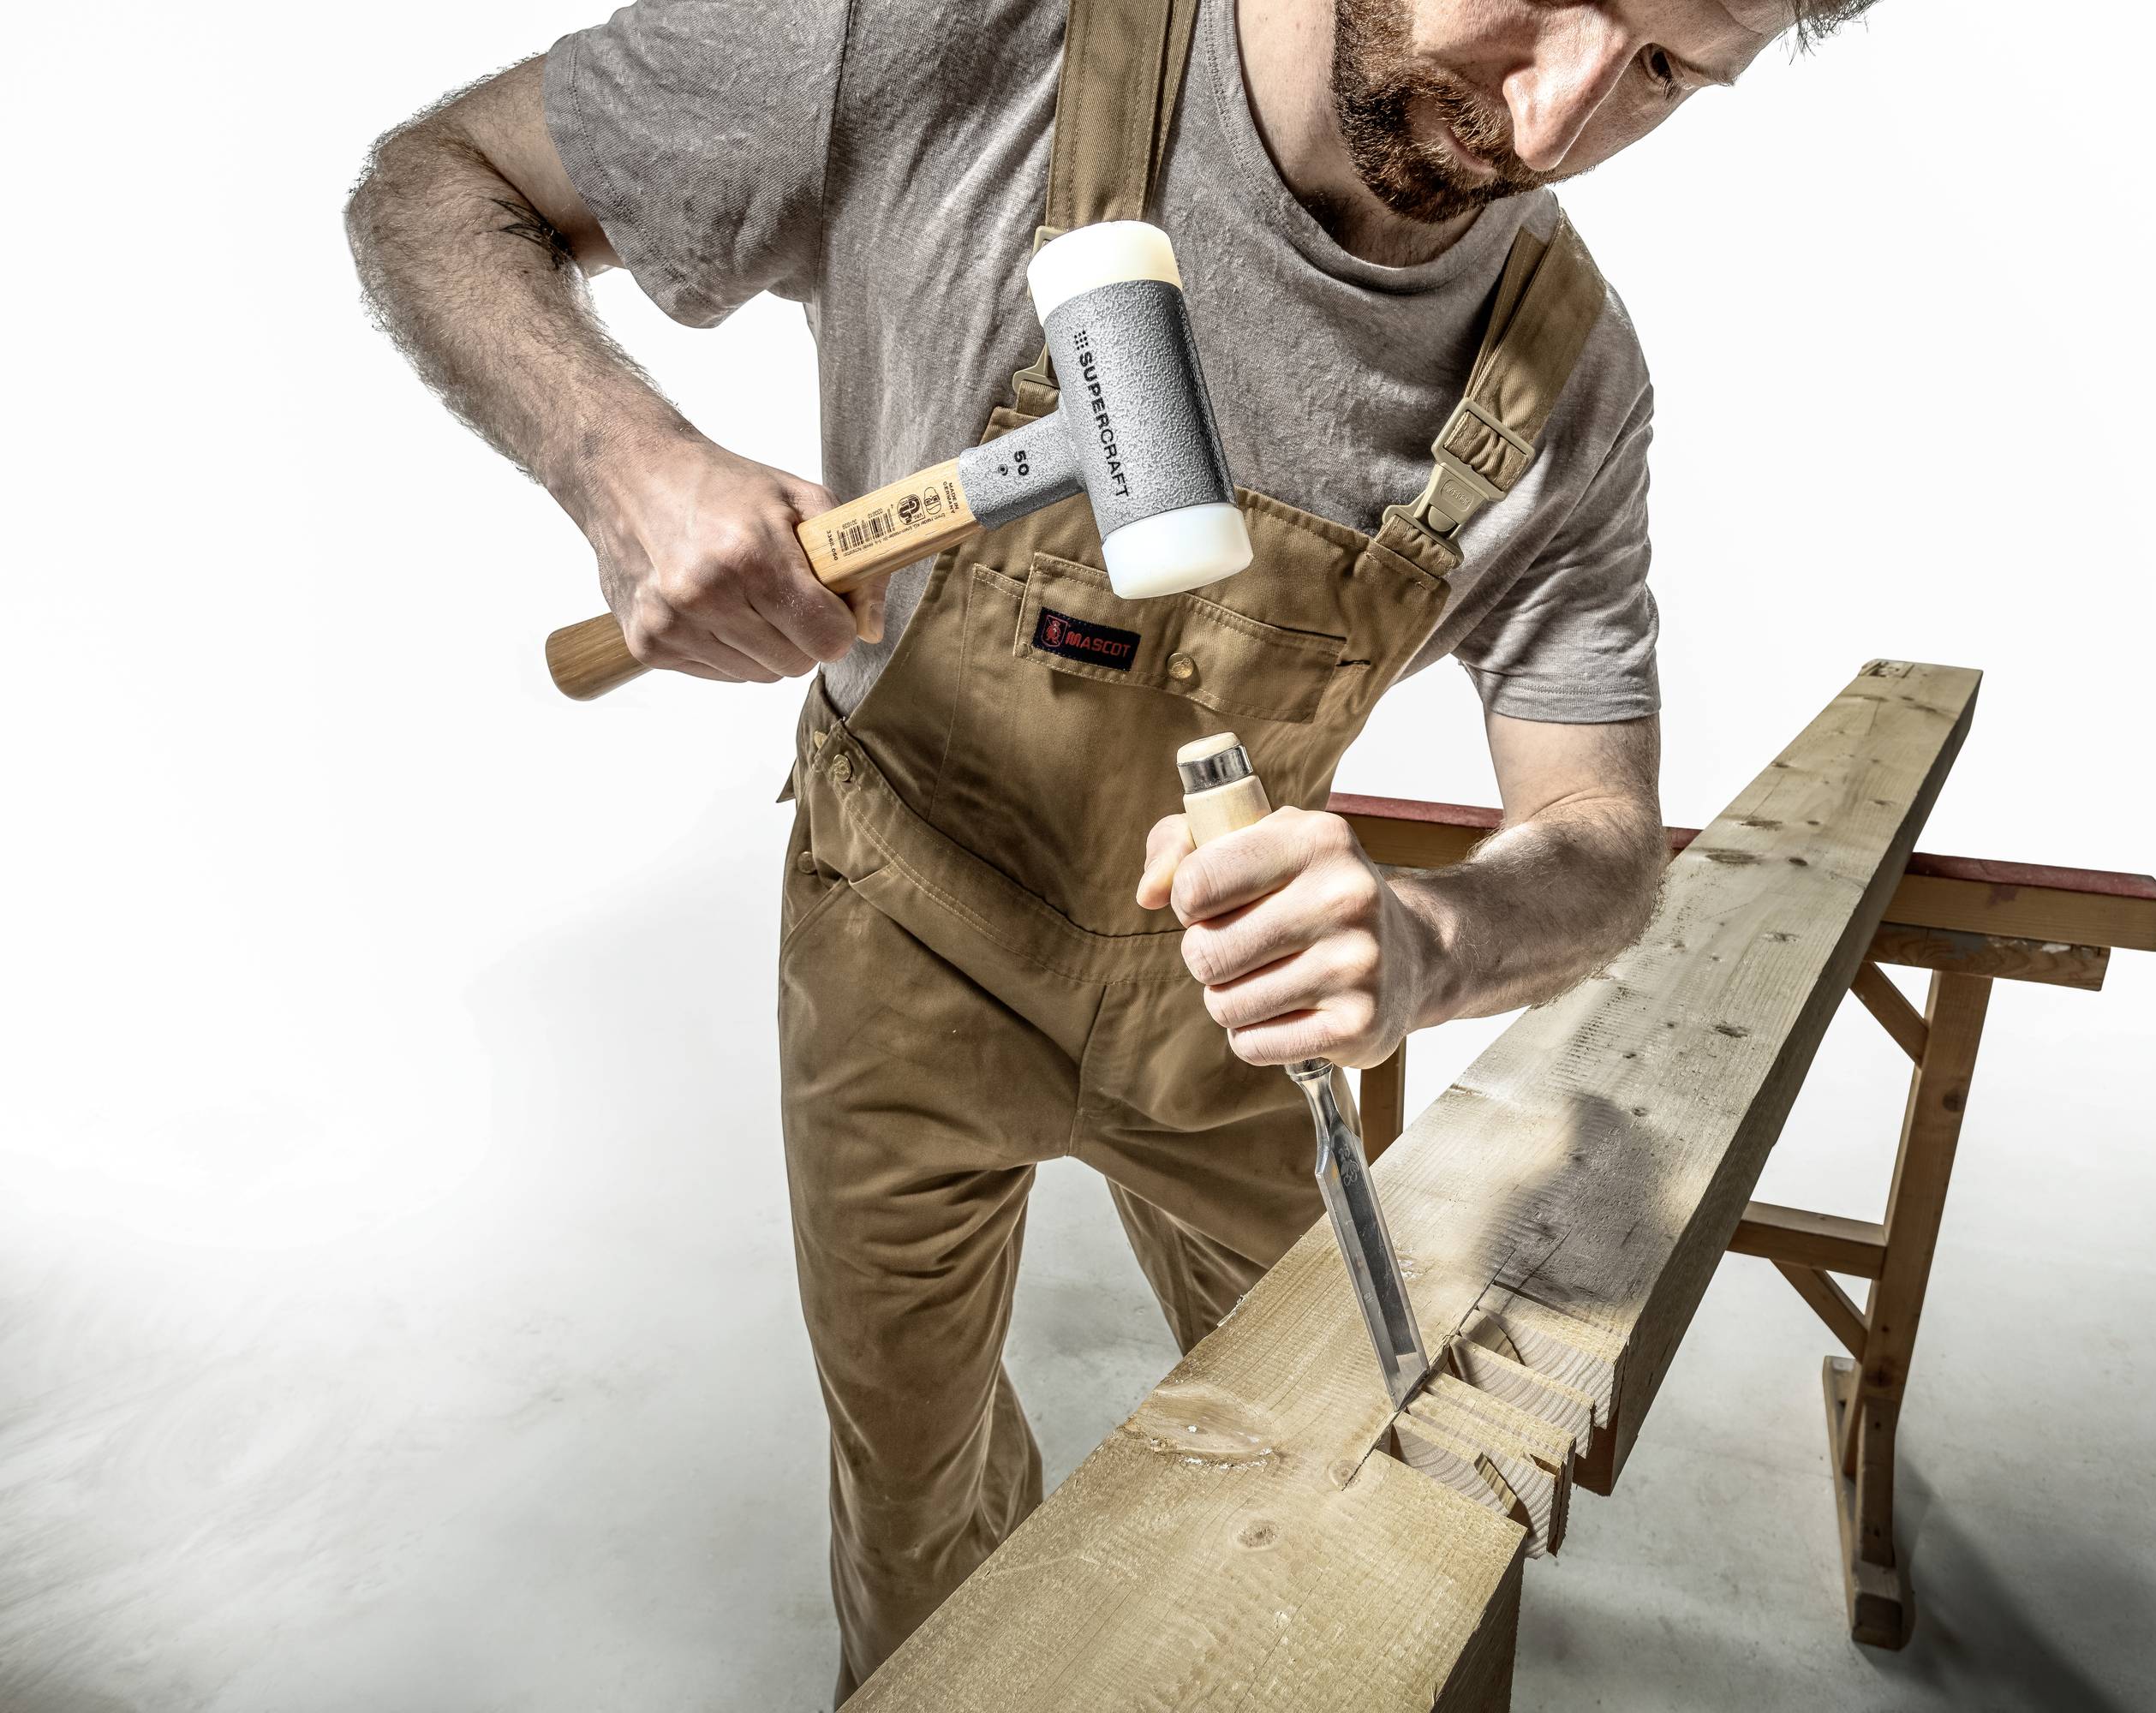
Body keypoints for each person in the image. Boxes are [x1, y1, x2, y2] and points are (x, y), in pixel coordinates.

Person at [346, 0, 1866, 1691]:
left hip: (1228, 999)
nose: (1562, 115)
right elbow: (440, 184)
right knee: (920, 1519)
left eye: (1669, 67)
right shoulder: (950, 45)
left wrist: (1430, 945)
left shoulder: (1560, 369)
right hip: (895, 933)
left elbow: (1595, 840)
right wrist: (619, 457)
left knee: (1375, 1474)